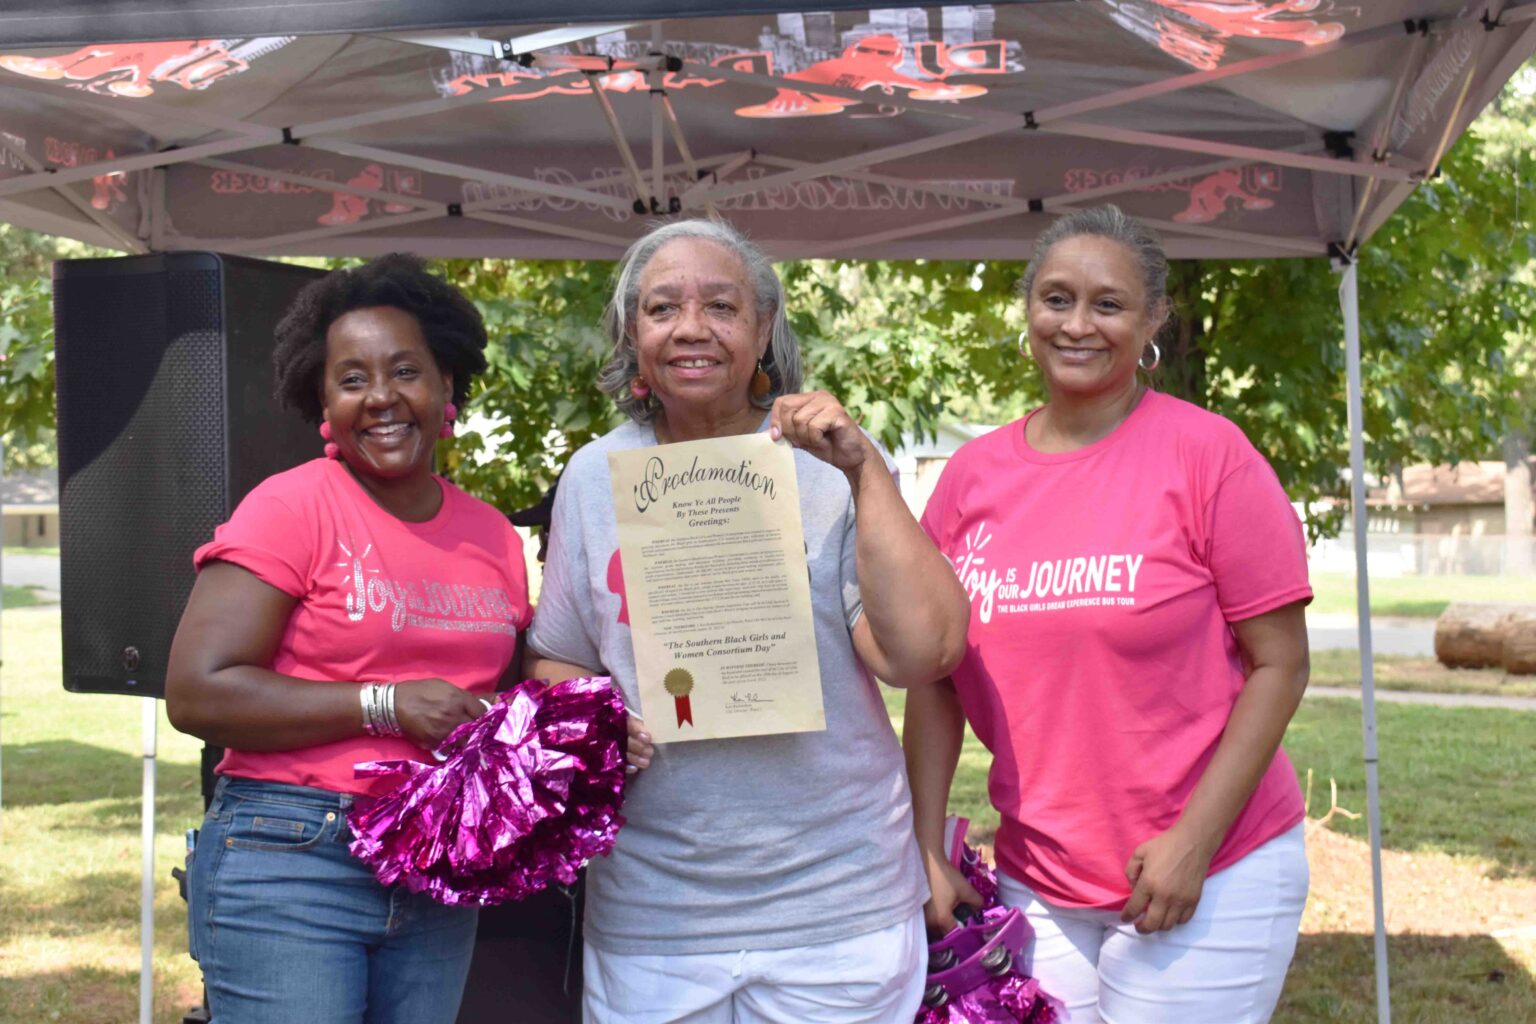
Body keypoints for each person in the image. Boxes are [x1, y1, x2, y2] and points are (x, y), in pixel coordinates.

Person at [525, 217, 970, 1023]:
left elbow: (924, 653)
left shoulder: (830, 467)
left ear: (763, 328)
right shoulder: (594, 477)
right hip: (656, 919)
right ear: (633, 332)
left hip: (840, 908)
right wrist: (594, 718)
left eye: (721, 307)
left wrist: (865, 468)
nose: (691, 328)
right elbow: (557, 656)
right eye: (662, 309)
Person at [906, 205, 1312, 1024]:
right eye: (1057, 299)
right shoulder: (970, 478)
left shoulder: (1210, 456)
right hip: (1040, 877)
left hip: (1212, 863)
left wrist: (1193, 843)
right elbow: (935, 680)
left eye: (1108, 303)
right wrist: (921, 845)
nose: (1078, 324)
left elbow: (1282, 664)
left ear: (1153, 318)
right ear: (1028, 311)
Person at [166, 254, 530, 1024]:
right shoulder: (291, 507)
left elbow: (512, 691)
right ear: (322, 403)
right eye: (352, 379)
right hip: (294, 853)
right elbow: (198, 688)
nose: (383, 398)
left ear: (448, 388)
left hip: (439, 860)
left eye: (406, 371)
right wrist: (383, 705)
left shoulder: (492, 534)